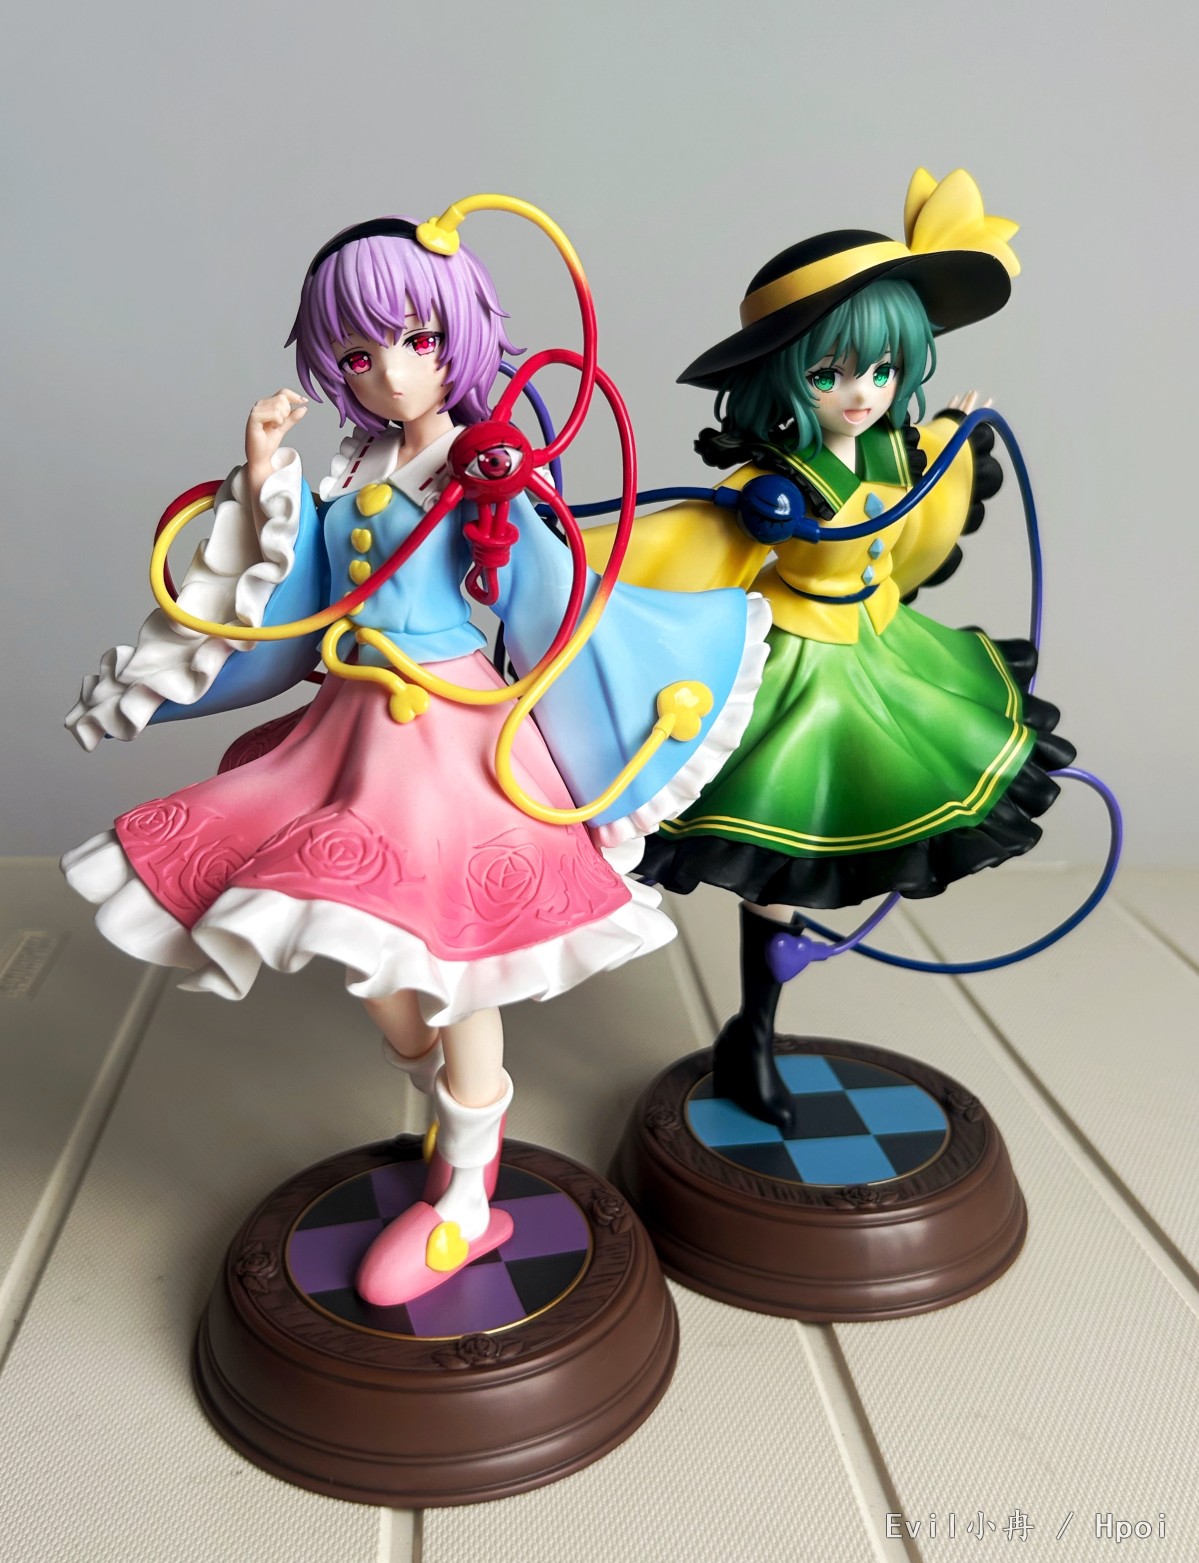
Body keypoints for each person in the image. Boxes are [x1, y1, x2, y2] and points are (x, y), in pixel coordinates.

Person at [62, 214, 767, 1304]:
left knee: (457, 956)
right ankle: (449, 1107)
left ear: (459, 339)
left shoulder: (476, 466)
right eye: (358, 353)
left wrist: (617, 726)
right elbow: (294, 607)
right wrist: (262, 478)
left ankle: (468, 1198)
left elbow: (547, 607)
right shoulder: (358, 468)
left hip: (448, 737)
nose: (390, 372)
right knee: (376, 965)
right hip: (347, 732)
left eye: (417, 340)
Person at [584, 169, 1075, 1132]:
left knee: (873, 825)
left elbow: (917, 511)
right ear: (784, 379)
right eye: (830, 375)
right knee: (779, 857)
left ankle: (762, 1012)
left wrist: (952, 433)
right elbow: (667, 541)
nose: (861, 393)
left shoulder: (890, 449)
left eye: (883, 371)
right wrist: (555, 544)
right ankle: (755, 1029)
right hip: (792, 672)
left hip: (880, 651)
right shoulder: (777, 480)